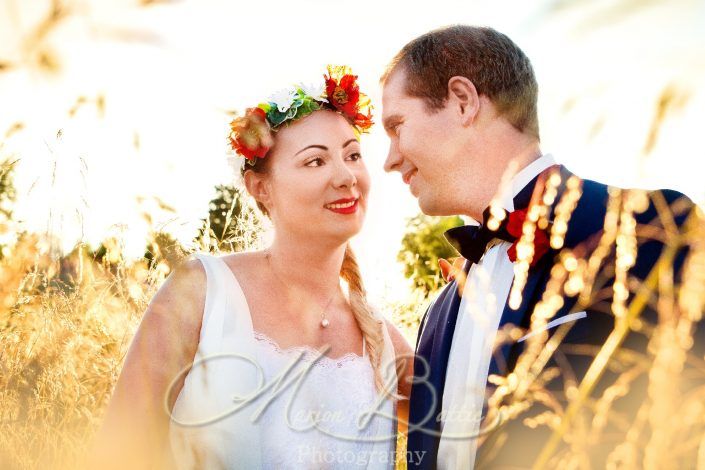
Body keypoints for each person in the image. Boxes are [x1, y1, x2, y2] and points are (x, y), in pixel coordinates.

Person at [380, 25, 701, 468]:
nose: (390, 159)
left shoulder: (653, 227)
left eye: (397, 127)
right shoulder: (437, 319)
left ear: (462, 101)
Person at [86, 66, 414, 470]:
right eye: (315, 162)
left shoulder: (381, 339)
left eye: (352, 155)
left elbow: (474, 432)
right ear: (262, 188)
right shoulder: (203, 293)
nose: (346, 176)